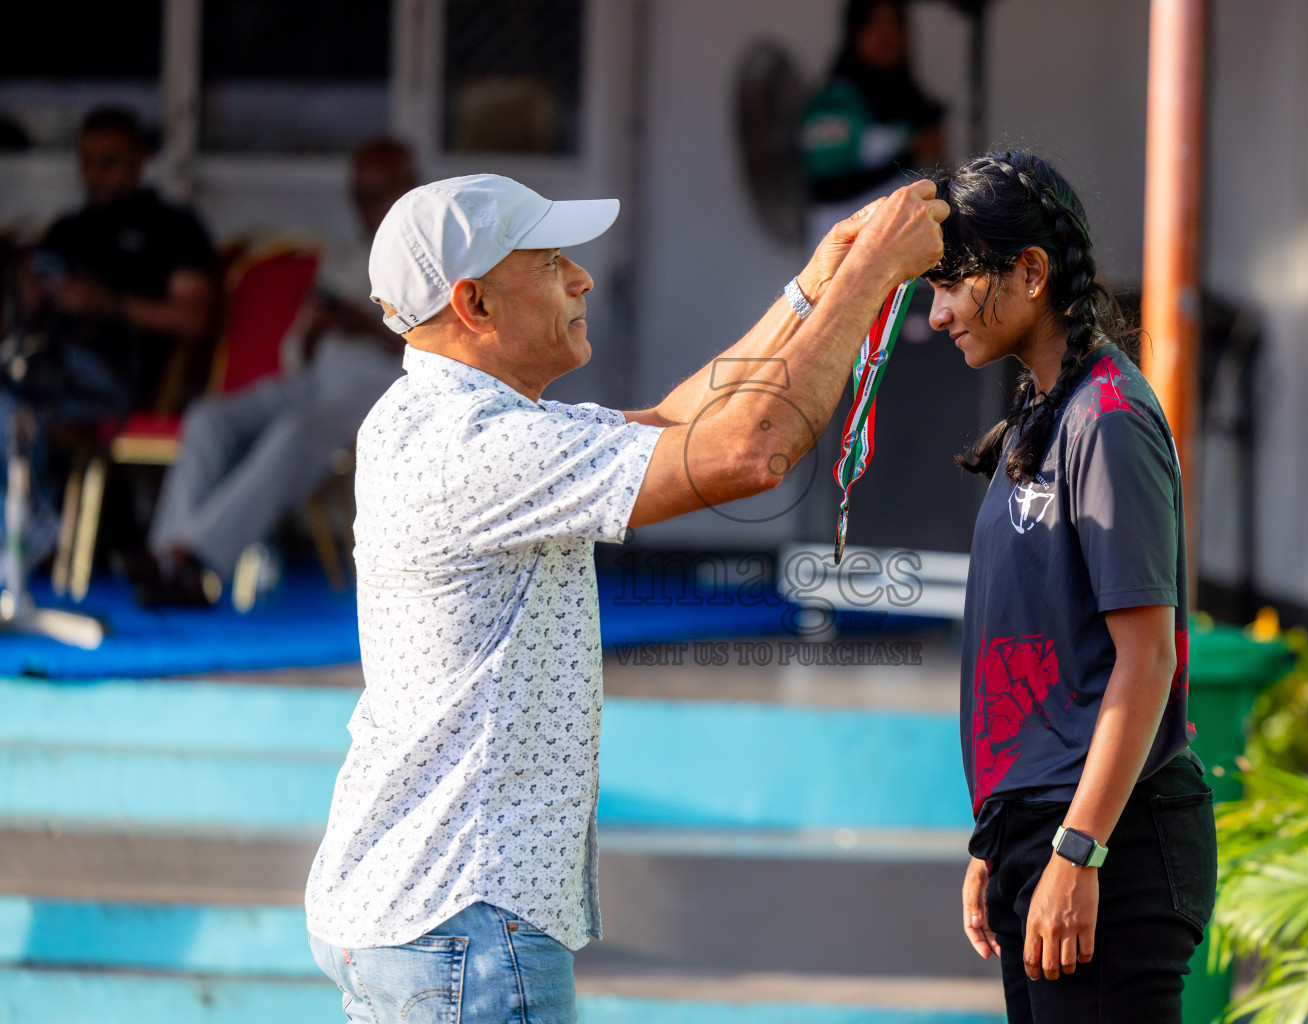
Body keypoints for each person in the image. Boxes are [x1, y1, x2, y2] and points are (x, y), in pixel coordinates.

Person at [303, 173, 946, 1022]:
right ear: (476, 305)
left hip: (412, 913)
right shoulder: (474, 446)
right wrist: (872, 281)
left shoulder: (438, 413)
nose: (582, 280)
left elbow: (677, 424)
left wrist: (816, 286)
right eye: (551, 262)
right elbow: (749, 451)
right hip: (464, 920)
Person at [926, 152, 1216, 1022]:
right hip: (1044, 831)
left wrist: (1078, 850)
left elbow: (1146, 658)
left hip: (1111, 846)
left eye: (952, 284)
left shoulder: (1108, 420)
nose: (937, 315)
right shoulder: (1040, 417)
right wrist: (998, 836)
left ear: (1031, 272)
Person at [130, 139, 420, 606]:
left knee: (295, 429)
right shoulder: (346, 255)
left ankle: (194, 557)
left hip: (383, 390)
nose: (366, 207)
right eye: (359, 195)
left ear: (410, 187)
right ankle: (167, 554)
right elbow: (294, 355)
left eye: (376, 193)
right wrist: (314, 328)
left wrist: (358, 324)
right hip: (315, 378)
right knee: (209, 419)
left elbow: (438, 352)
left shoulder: (436, 258)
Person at [3, 107, 218, 568]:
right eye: (86, 161)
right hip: (47, 363)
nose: (95, 174)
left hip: (123, 377)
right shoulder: (66, 229)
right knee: (14, 393)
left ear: (141, 160)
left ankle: (32, 533)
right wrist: (29, 295)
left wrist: (107, 304)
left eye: (109, 161)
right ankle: (27, 532)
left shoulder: (173, 228)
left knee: (15, 403)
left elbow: (194, 319)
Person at [801, 0, 946, 242]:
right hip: (844, 255)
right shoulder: (833, 101)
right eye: (876, 24)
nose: (887, 35)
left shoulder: (913, 99)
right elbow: (827, 187)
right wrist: (910, 155)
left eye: (895, 24)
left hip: (900, 251)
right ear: (855, 32)